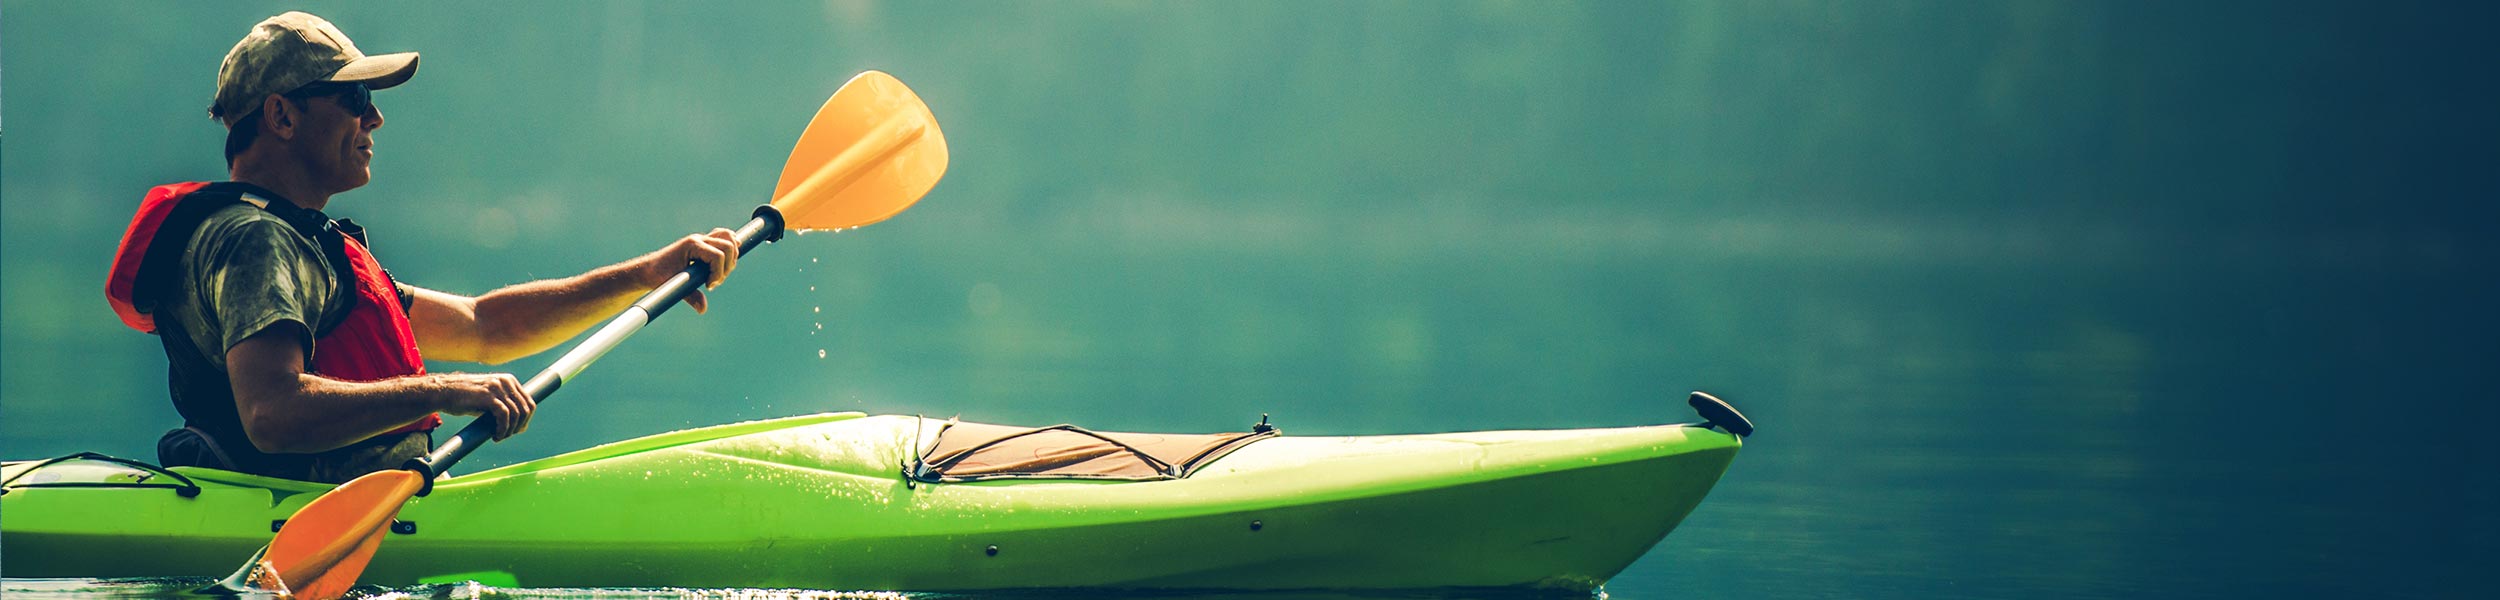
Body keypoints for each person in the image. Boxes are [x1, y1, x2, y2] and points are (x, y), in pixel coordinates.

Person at [102, 11, 742, 483]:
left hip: (361, 497)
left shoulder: (296, 241)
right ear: (282, 117)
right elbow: (272, 413)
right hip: (312, 510)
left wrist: (648, 273)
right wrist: (443, 391)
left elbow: (483, 325)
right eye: (355, 98)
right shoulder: (256, 242)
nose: (374, 119)